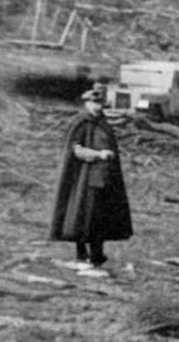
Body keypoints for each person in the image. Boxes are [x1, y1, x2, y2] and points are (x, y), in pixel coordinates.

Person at [50, 83, 133, 278]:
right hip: (84, 179)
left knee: (100, 217)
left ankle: (97, 255)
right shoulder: (82, 122)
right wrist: (98, 154)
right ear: (87, 102)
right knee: (82, 216)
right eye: (94, 103)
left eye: (100, 103)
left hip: (103, 179)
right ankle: (82, 255)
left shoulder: (103, 122)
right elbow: (76, 150)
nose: (98, 106)